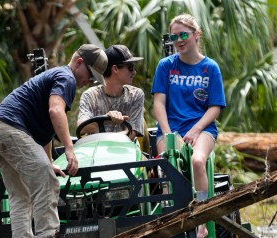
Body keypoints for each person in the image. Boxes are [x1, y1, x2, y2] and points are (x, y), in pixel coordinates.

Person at [0, 44, 110, 238]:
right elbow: (55, 111)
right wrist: (70, 149)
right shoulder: (66, 77)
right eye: (90, 75)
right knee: (48, 182)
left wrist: (49, 162)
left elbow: (44, 135)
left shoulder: (55, 78)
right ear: (79, 63)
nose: (89, 82)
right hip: (10, 128)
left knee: (20, 194)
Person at [151, 14, 226, 206]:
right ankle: (174, 216)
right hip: (170, 128)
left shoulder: (210, 68)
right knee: (169, 168)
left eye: (183, 35)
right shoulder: (165, 66)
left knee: (198, 162)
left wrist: (196, 129)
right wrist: (168, 134)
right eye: (174, 37)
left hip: (201, 129)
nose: (179, 41)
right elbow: (158, 104)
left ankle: (201, 211)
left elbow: (215, 107)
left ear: (196, 34)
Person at [77, 44, 146, 141]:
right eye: (130, 67)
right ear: (115, 69)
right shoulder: (90, 95)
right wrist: (108, 118)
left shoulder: (136, 95)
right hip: (97, 151)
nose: (134, 72)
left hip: (126, 152)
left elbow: (131, 135)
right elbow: (81, 126)